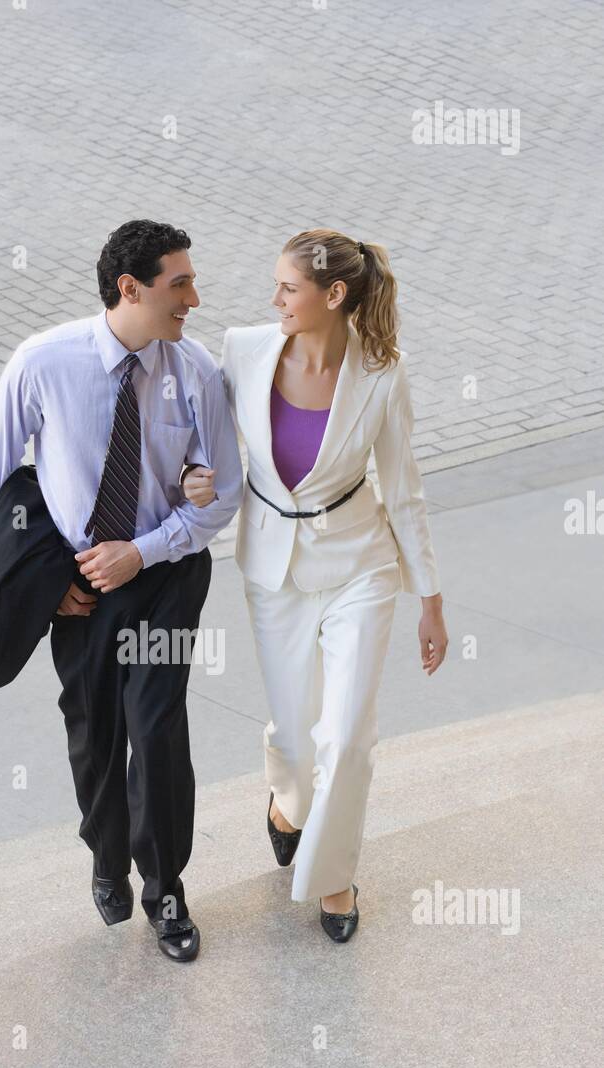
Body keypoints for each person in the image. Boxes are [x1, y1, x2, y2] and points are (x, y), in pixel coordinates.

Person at [0, 220, 243, 962]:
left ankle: (165, 890)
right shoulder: (43, 363)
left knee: (156, 725)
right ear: (129, 289)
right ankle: (106, 855)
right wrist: (48, 583)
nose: (194, 297)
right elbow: (2, 485)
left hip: (164, 576)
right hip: (83, 587)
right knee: (95, 730)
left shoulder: (193, 371)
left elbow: (222, 494)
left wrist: (146, 549)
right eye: (179, 284)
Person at [183, 228, 448, 943]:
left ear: (334, 295)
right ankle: (288, 803)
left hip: (360, 563)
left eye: (288, 288)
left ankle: (334, 878)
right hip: (274, 568)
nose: (275, 299)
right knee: (298, 738)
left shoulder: (382, 374)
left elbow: (405, 490)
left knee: (348, 736)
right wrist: (191, 476)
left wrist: (430, 599)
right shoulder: (243, 351)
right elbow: (194, 435)